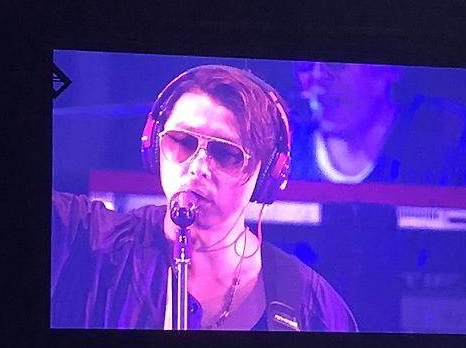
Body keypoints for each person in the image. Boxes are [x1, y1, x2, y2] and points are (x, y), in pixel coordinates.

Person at [50, 64, 358, 331]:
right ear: (153, 145)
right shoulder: (84, 240)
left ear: (267, 175)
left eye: (225, 153)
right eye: (182, 141)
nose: (198, 168)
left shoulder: (313, 305)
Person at [290, 61, 466, 187]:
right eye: (305, 65)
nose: (318, 75)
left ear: (385, 72)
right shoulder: (288, 146)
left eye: (336, 63)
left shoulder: (454, 135)